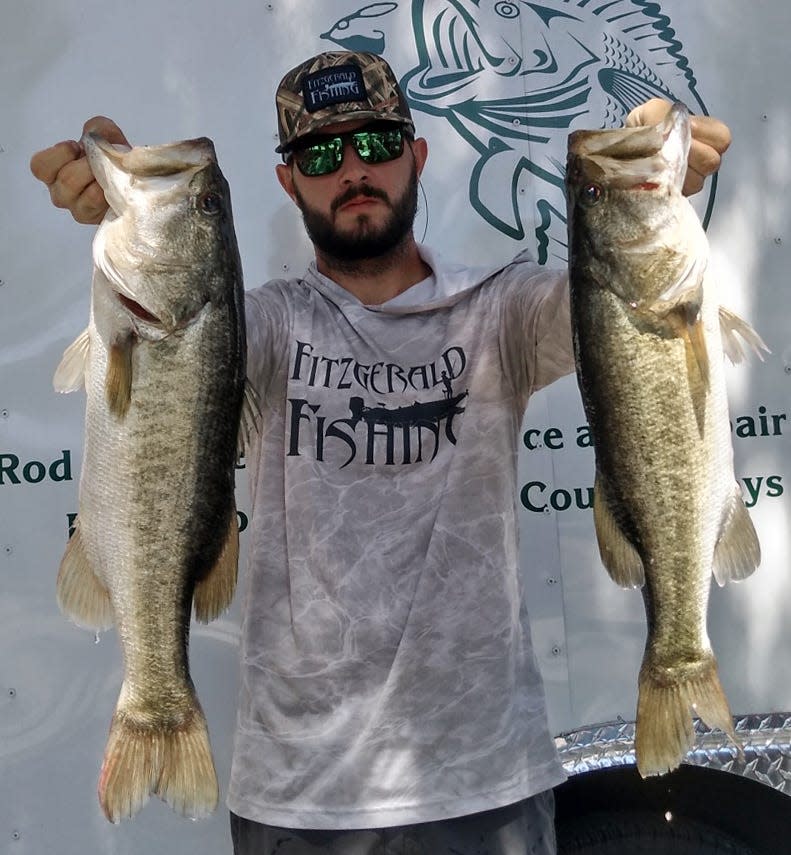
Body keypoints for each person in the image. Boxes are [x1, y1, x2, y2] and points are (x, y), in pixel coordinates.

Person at [30, 50, 731, 855]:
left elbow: (624, 311)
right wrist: (101, 169)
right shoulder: (255, 327)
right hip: (296, 795)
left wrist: (654, 167)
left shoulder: (501, 309)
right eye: (321, 155)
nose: (352, 169)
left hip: (484, 781)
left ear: (417, 154)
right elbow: (174, 340)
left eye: (376, 143)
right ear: (289, 182)